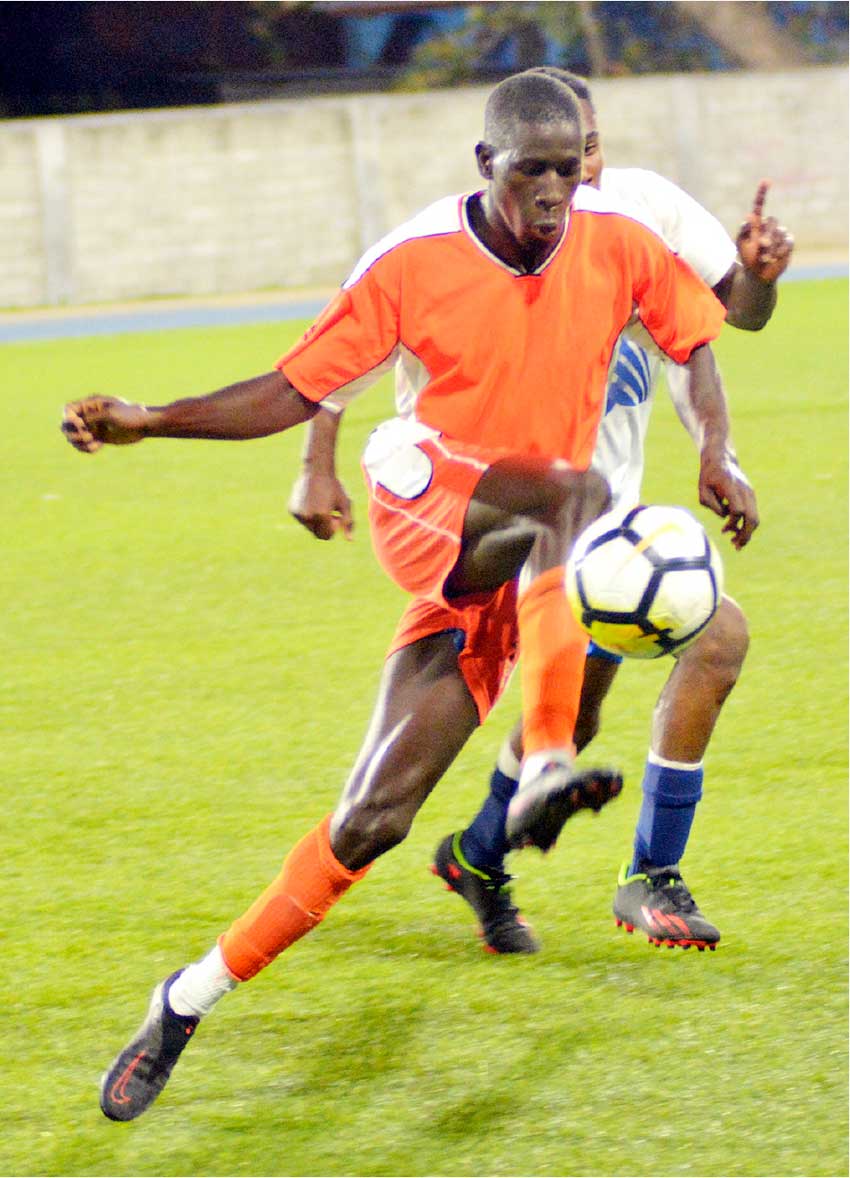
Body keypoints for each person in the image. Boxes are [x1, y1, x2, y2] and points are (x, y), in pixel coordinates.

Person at [62, 70, 729, 1119]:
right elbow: (293, 388)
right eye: (531, 171)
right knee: (581, 493)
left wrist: (719, 454)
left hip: (512, 564)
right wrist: (151, 418)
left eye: (567, 167)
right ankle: (545, 762)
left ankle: (184, 997)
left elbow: (694, 343)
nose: (555, 190)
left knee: (370, 819)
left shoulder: (621, 240)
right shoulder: (416, 259)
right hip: (427, 495)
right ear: (484, 164)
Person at [288, 67, 793, 955]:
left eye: (587, 152)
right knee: (695, 646)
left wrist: (751, 301)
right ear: (501, 163)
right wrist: (314, 466)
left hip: (604, 512)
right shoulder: (467, 242)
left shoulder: (638, 218)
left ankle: (485, 855)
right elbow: (333, 370)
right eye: (551, 160)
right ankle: (637, 873)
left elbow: (727, 319)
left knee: (584, 708)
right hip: (490, 512)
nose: (573, 175)